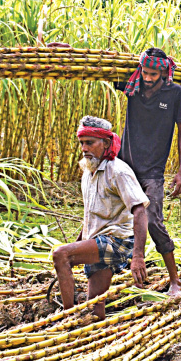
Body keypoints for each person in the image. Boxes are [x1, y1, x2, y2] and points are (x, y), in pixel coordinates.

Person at [52, 116, 149, 320]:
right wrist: (79, 242)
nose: (84, 148)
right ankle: (97, 331)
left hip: (117, 241)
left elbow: (140, 210)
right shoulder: (88, 172)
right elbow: (90, 214)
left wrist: (138, 257)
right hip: (97, 241)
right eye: (82, 143)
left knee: (60, 255)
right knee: (95, 307)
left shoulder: (118, 172)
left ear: (105, 143)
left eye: (90, 143)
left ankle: (68, 316)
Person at [114, 47, 181, 297]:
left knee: (154, 220)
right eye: (144, 72)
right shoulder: (133, 85)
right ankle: (105, 265)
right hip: (125, 166)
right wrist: (71, 54)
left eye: (153, 74)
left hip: (153, 171)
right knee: (110, 213)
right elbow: (99, 70)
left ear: (164, 72)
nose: (147, 77)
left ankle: (174, 280)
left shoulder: (175, 93)